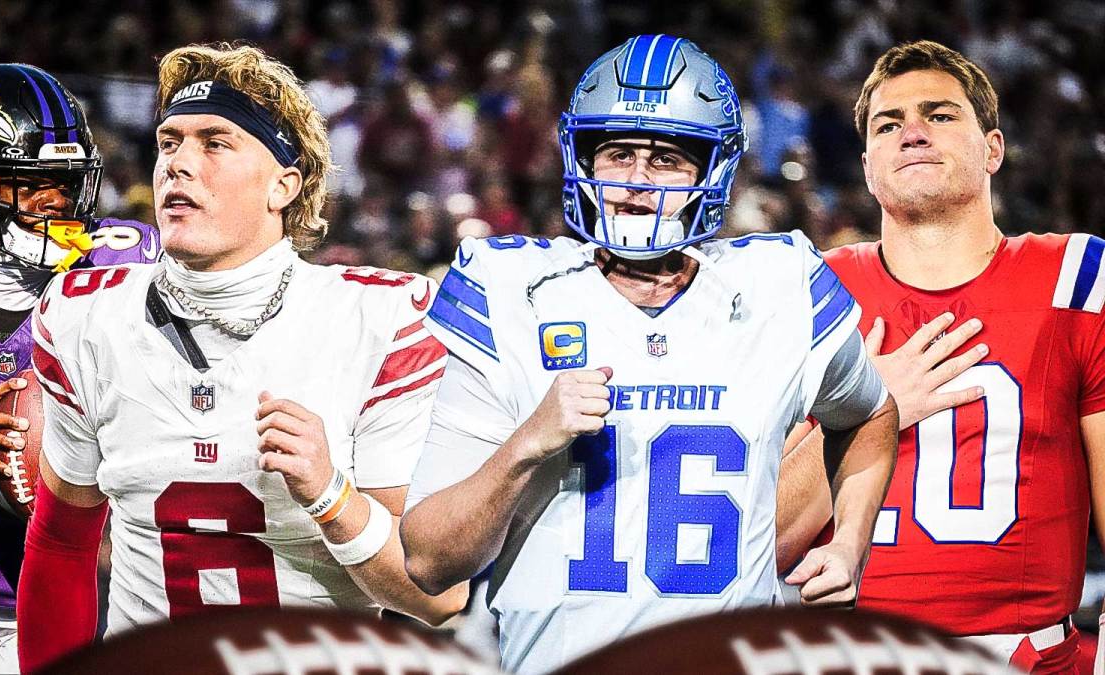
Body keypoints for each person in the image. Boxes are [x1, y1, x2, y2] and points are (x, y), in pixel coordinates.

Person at [399, 34, 900, 674]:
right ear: (581, 159)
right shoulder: (511, 295)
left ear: (710, 172)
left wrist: (851, 541)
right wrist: (527, 443)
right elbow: (429, 561)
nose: (638, 183)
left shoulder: (780, 288)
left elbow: (870, 414)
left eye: (666, 159)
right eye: (618, 153)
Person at [16, 43, 467, 673]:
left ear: (284, 185)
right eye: (168, 142)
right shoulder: (85, 316)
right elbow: (63, 541)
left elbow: (436, 595)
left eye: (215, 142)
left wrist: (331, 496)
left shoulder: (377, 322)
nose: (178, 164)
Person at [775, 40, 1105, 673]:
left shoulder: (1075, 279)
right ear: (868, 165)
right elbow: (762, 543)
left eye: (941, 114)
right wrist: (874, 409)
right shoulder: (810, 292)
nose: (913, 133)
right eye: (888, 124)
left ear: (993, 148)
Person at [0, 64, 159, 673]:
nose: (57, 201)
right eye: (32, 182)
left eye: (66, 182)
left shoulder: (131, 265)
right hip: (2, 622)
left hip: (145, 603)